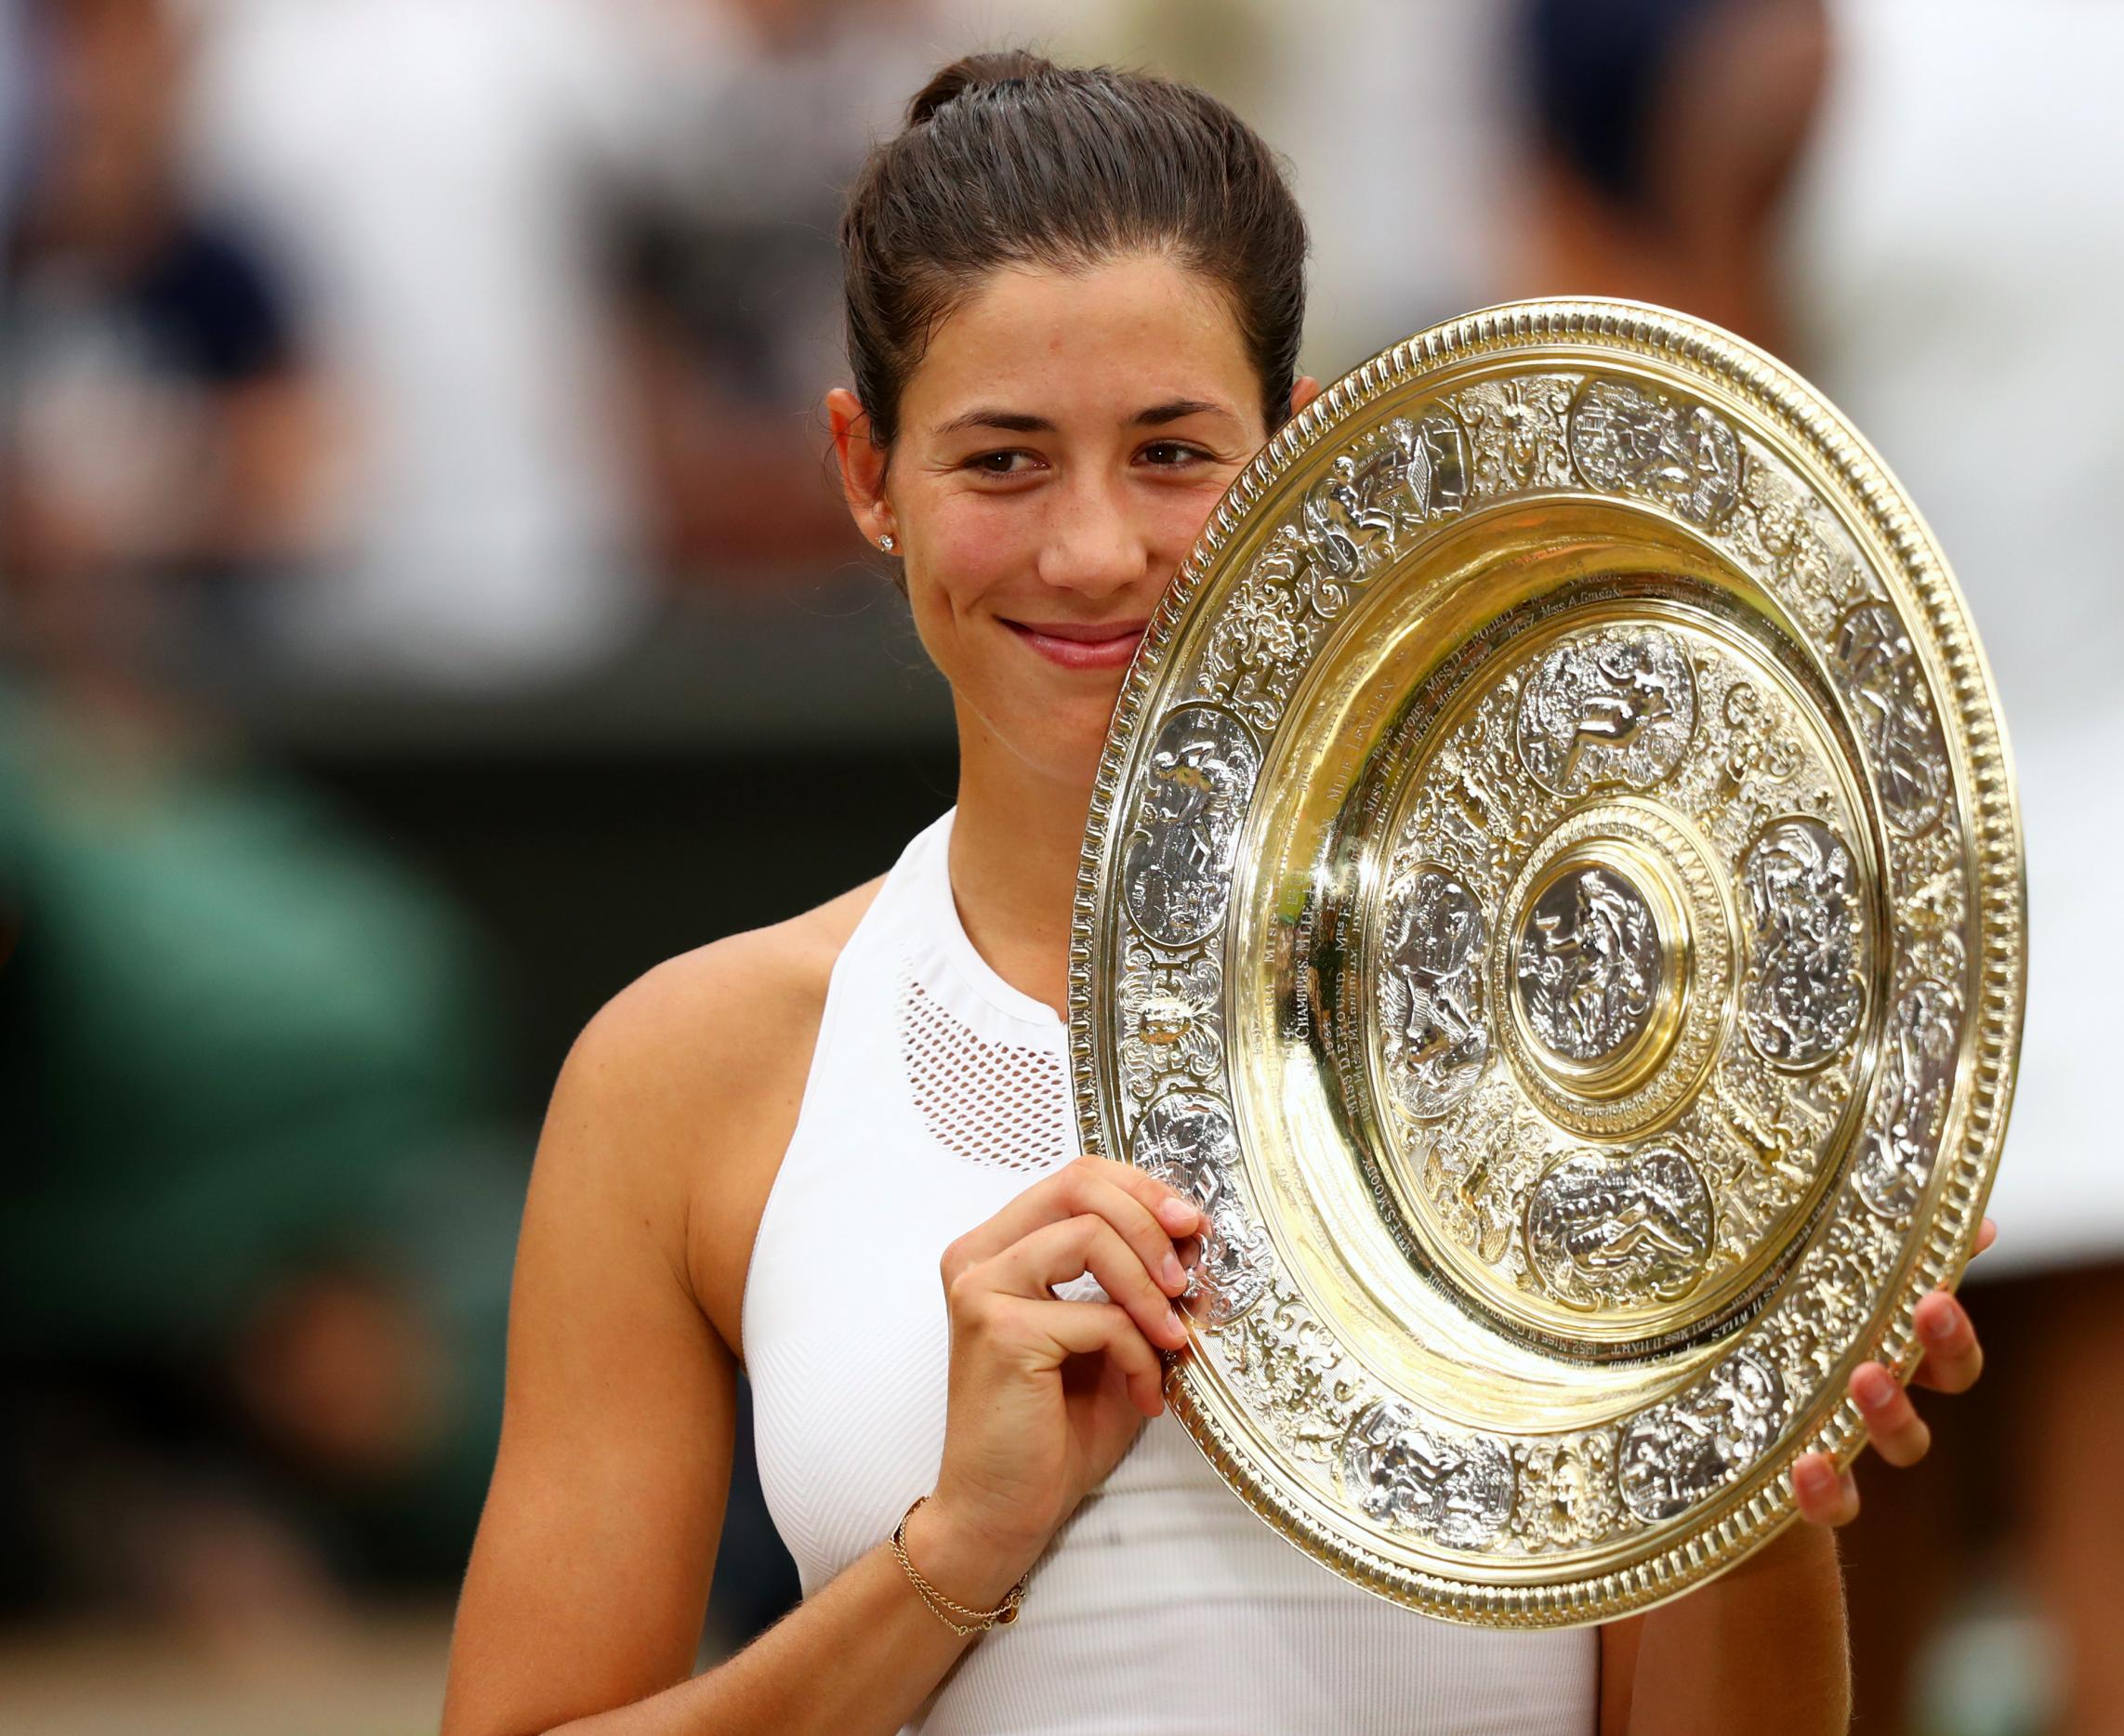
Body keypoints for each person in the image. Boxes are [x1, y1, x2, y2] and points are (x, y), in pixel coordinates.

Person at [440, 52, 1990, 1736]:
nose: (1095, 549)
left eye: (1173, 452)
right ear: (866, 472)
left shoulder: (1598, 1049)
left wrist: (1754, 1480)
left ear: (1299, 450)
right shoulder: (685, 1078)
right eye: (1004, 462)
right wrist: (964, 1545)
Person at [1512, 3, 2124, 1734]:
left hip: (1903, 957)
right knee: (2095, 1665)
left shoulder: (1787, 66)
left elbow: (1717, 520)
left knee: (1859, 1676)